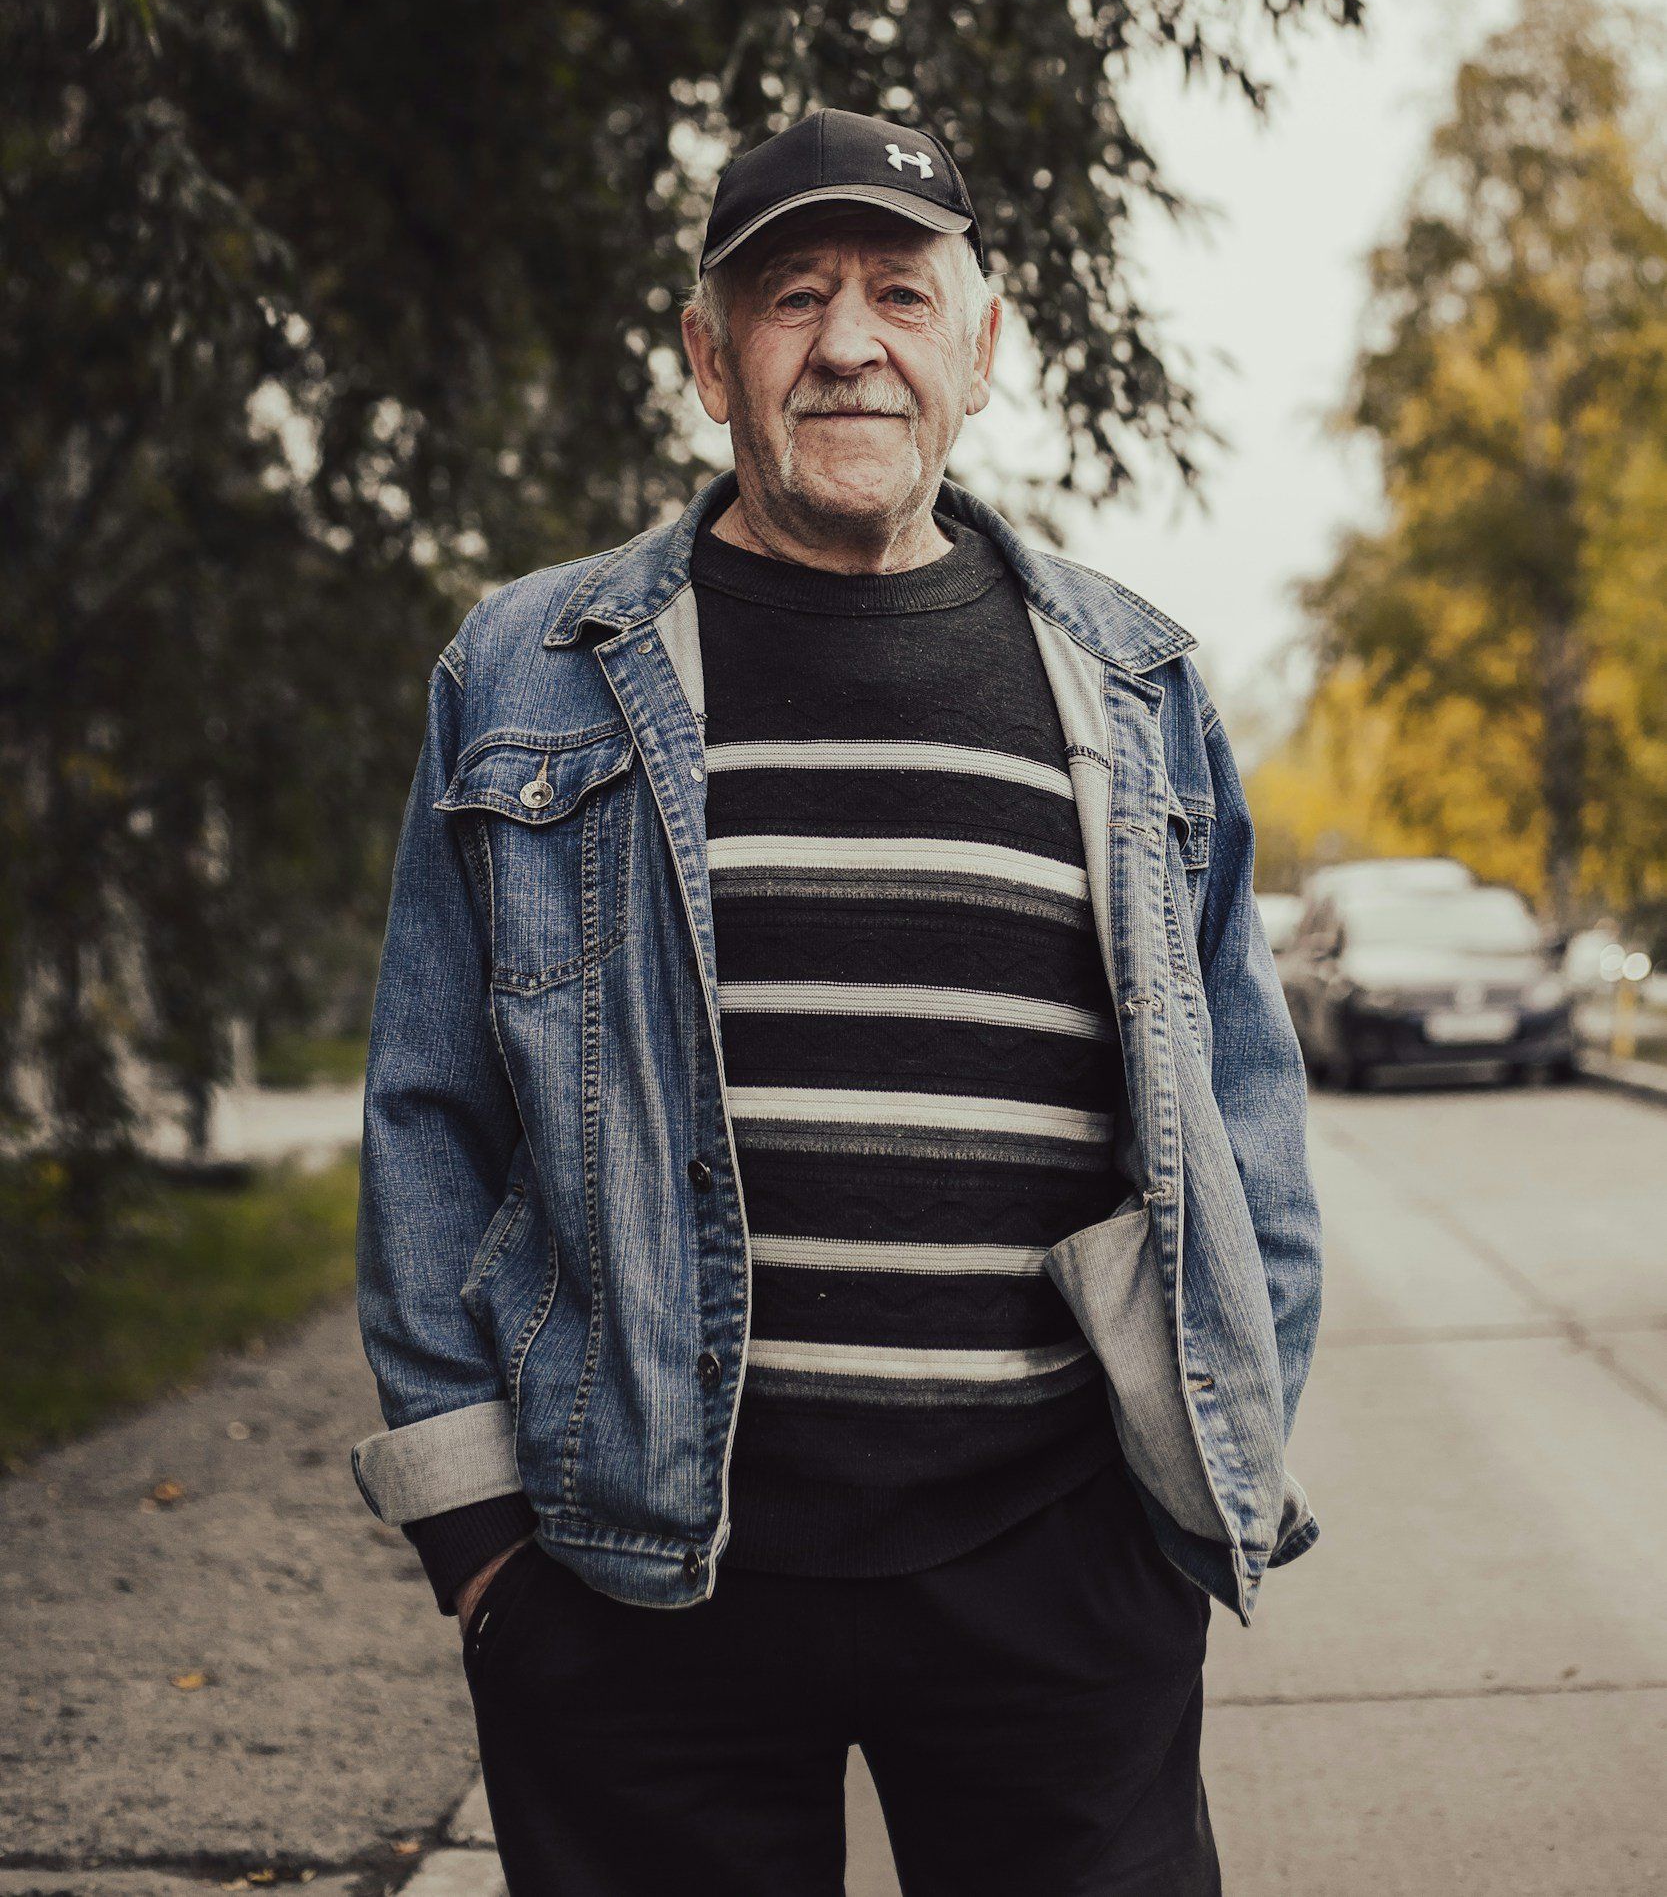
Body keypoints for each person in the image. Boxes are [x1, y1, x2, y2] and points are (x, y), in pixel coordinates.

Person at [351, 107, 1322, 1896]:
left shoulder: (1138, 686)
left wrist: (1188, 1503)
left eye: (898, 289)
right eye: (792, 298)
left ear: (981, 347)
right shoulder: (524, 675)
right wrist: (479, 1537)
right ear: (710, 360)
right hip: (637, 1580)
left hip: (1052, 1574)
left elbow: (1244, 1120)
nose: (851, 341)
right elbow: (429, 1104)